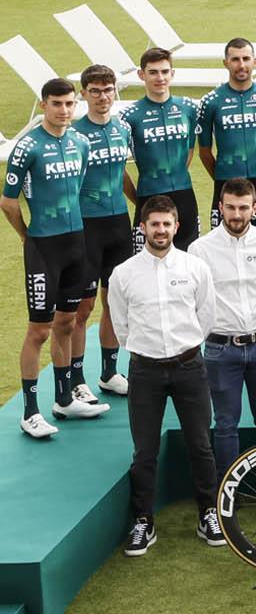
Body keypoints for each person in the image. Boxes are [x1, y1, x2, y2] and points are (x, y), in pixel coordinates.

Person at [108, 196, 222, 556]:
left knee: (201, 445)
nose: (160, 230)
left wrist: (183, 348)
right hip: (145, 371)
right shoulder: (123, 274)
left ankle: (208, 513)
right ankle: (143, 521)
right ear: (142, 228)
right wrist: (148, 351)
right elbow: (121, 325)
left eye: (166, 224)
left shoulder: (195, 268)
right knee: (145, 451)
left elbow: (206, 316)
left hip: (190, 366)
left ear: (176, 226)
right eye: (153, 224)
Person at [4, 77, 105, 437]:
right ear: (44, 104)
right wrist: (28, 237)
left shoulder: (80, 142)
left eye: (68, 104)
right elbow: (8, 200)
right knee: (39, 331)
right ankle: (29, 411)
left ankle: (64, 399)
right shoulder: (27, 146)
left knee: (67, 323)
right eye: (56, 104)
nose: (64, 111)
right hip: (44, 249)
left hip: (76, 244)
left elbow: (76, 188)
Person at [186, 180, 256, 486]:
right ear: (220, 207)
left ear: (254, 209)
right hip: (220, 350)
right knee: (226, 424)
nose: (237, 214)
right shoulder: (200, 249)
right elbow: (197, 302)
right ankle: (227, 492)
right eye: (230, 207)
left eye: (243, 207)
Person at [196, 39, 256, 339]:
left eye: (246, 58)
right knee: (220, 249)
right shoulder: (211, 102)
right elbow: (205, 150)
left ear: (255, 61)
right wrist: (222, 179)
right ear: (226, 63)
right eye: (235, 59)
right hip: (225, 183)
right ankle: (219, 318)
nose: (241, 65)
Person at [72, 65, 134, 397]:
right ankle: (77, 380)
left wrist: (138, 202)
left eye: (107, 90)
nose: (102, 97)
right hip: (86, 227)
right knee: (82, 307)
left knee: (115, 301)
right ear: (83, 94)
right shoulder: (75, 134)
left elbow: (122, 172)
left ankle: (109, 373)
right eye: (94, 91)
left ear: (115, 92)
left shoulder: (122, 129)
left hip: (118, 224)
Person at [123, 47, 205, 254]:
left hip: (185, 194)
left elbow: (189, 151)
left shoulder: (188, 108)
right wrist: (139, 199)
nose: (160, 77)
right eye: (153, 72)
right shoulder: (129, 116)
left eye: (164, 71)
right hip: (147, 195)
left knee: (188, 257)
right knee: (146, 262)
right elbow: (118, 167)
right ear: (142, 75)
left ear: (172, 73)